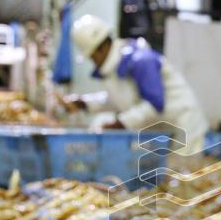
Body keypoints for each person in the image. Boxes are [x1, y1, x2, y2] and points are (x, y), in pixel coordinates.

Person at [64, 13, 209, 154]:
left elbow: (155, 105)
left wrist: (121, 123)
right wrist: (84, 103)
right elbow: (123, 99)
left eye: (92, 57)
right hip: (162, 132)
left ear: (101, 49)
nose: (93, 62)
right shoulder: (117, 66)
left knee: (183, 168)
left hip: (182, 125)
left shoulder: (142, 60)